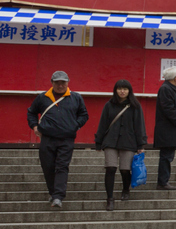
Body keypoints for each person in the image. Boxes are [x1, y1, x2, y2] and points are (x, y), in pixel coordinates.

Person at [27, 71, 89, 209]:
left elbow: (84, 115)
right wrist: (35, 126)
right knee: (48, 166)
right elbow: (31, 112)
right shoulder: (42, 97)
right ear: (52, 83)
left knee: (61, 166)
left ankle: (58, 196)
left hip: (66, 139)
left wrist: (75, 125)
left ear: (68, 82)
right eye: (57, 82)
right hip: (47, 138)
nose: (60, 85)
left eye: (63, 82)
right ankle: (53, 192)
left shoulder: (76, 97)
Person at [93, 79, 145, 211]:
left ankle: (125, 189)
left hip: (128, 141)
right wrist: (98, 141)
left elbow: (139, 126)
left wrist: (141, 144)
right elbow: (103, 124)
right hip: (110, 141)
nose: (122, 91)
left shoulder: (135, 106)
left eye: (125, 89)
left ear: (129, 91)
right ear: (115, 90)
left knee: (125, 169)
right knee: (110, 168)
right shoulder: (109, 105)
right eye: (120, 88)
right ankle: (110, 198)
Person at [153, 65, 176, 190]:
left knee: (168, 155)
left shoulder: (169, 89)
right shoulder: (166, 89)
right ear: (175, 78)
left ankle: (164, 181)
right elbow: (168, 108)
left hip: (169, 129)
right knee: (166, 156)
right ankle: (163, 182)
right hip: (168, 129)